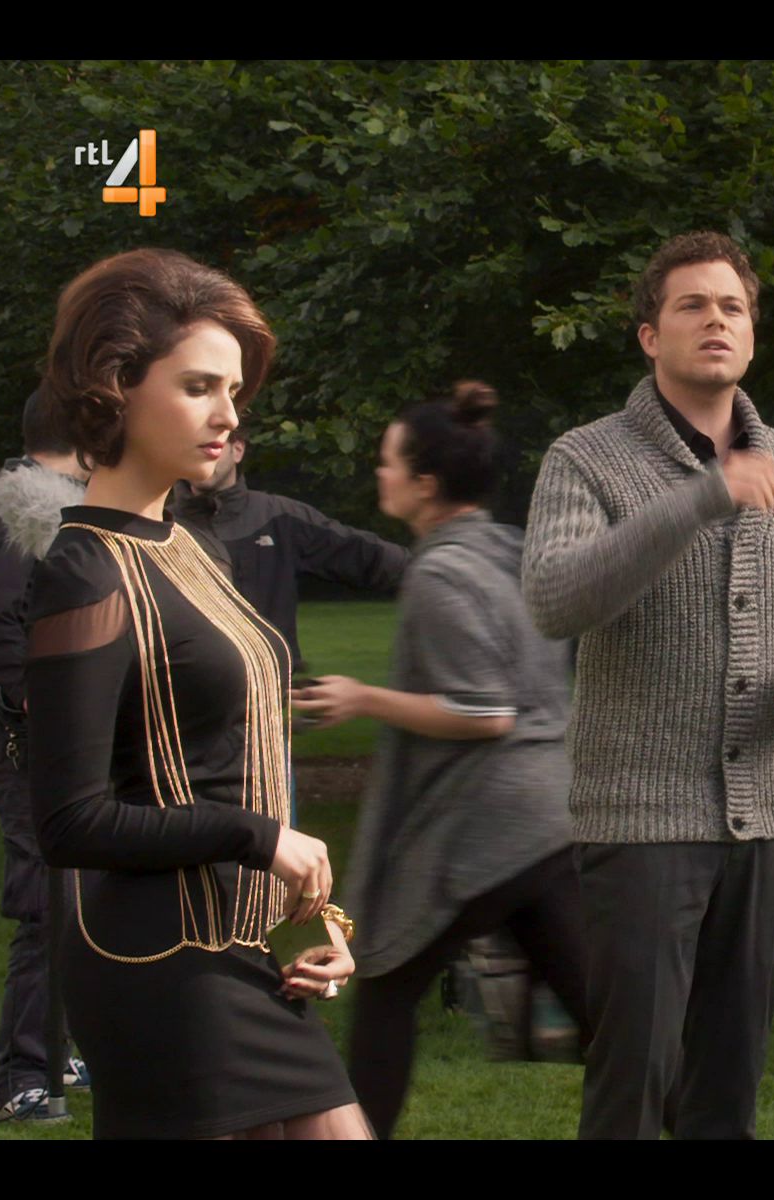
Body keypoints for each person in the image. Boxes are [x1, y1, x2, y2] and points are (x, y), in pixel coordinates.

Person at [22, 247, 369, 1139]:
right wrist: (262, 839)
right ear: (115, 388)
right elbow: (69, 821)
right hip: (158, 964)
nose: (228, 415)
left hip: (240, 948)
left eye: (234, 391)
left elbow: (221, 760)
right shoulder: (86, 571)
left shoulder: (188, 546)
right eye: (199, 387)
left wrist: (301, 915)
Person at [522, 230, 774, 1139]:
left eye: (733, 307)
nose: (717, 320)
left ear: (752, 334)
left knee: (728, 1085)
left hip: (768, 817)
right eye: (692, 305)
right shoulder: (585, 458)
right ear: (649, 335)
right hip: (639, 822)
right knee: (633, 1080)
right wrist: (703, 495)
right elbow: (555, 601)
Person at [291, 381, 590, 1139]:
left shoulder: (443, 572)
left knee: (386, 980)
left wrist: (363, 697)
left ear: (425, 483)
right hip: (547, 819)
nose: (379, 472)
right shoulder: (513, 553)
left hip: (481, 828)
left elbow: (484, 713)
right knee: (605, 1013)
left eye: (389, 461)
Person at [0, 387, 91, 1120]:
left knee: (72, 896)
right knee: (46, 898)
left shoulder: (41, 501)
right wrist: (40, 703)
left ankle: (52, 1050)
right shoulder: (24, 506)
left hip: (34, 732)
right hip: (22, 739)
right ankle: (23, 1077)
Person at [171, 424, 407, 673]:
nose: (203, 457)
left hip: (272, 688)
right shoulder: (160, 528)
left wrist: (431, 568)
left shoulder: (280, 517)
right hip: (184, 689)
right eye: (192, 446)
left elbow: (372, 558)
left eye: (212, 446)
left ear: (237, 450)